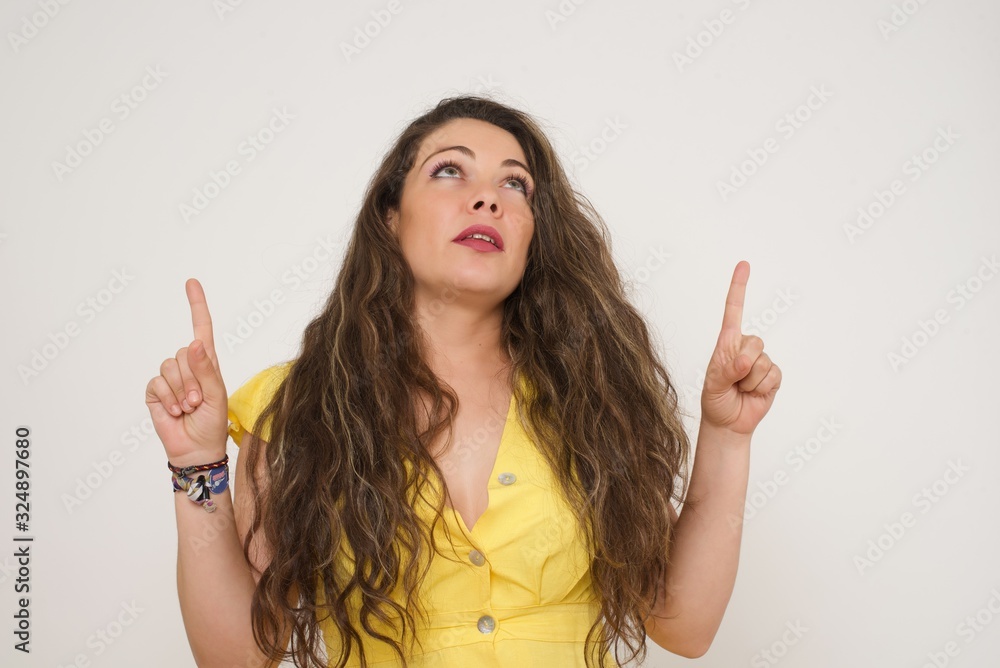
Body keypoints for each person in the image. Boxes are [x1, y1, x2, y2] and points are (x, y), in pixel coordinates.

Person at [145, 95, 781, 668]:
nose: (489, 198)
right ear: (390, 215)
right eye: (450, 171)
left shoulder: (592, 399)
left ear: (535, 235)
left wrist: (727, 436)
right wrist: (197, 465)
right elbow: (236, 656)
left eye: (516, 184)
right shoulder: (297, 406)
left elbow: (685, 625)